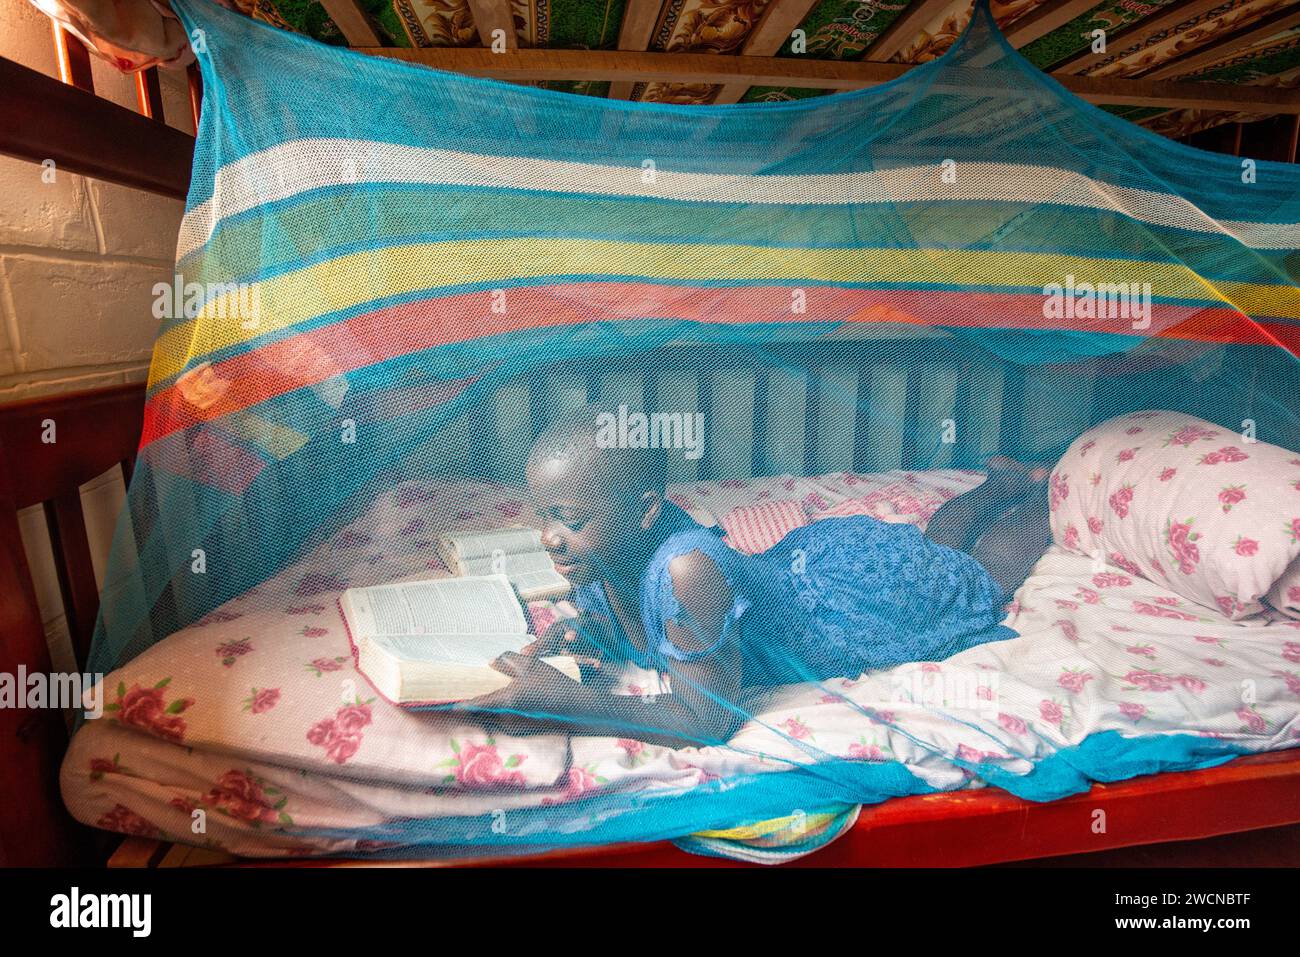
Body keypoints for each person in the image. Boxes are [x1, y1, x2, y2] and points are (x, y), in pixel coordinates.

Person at [462, 405, 1053, 748]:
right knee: (930, 547)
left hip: (844, 598)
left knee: (973, 578)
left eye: (569, 520)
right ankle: (999, 485)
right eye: (544, 518)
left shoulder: (687, 567)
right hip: (800, 563)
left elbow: (709, 720)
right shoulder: (603, 555)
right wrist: (587, 635)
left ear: (644, 511)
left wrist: (571, 702)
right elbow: (640, 630)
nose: (549, 538)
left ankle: (1048, 490)